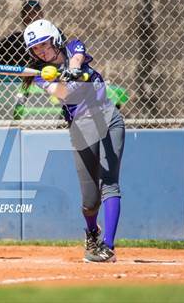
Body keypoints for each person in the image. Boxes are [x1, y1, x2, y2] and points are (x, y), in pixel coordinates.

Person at [23, 19, 125, 262]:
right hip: (82, 126)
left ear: (55, 40)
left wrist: (73, 70)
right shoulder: (40, 76)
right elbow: (63, 94)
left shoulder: (73, 47)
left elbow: (78, 59)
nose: (42, 51)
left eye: (44, 44)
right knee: (90, 200)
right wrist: (63, 80)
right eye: (36, 49)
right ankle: (92, 231)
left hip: (109, 116)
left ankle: (108, 247)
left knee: (110, 183)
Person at [0, 0, 44, 67]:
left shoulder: (51, 33)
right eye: (26, 13)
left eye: (34, 12)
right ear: (22, 16)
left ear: (41, 15)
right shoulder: (15, 39)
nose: (30, 16)